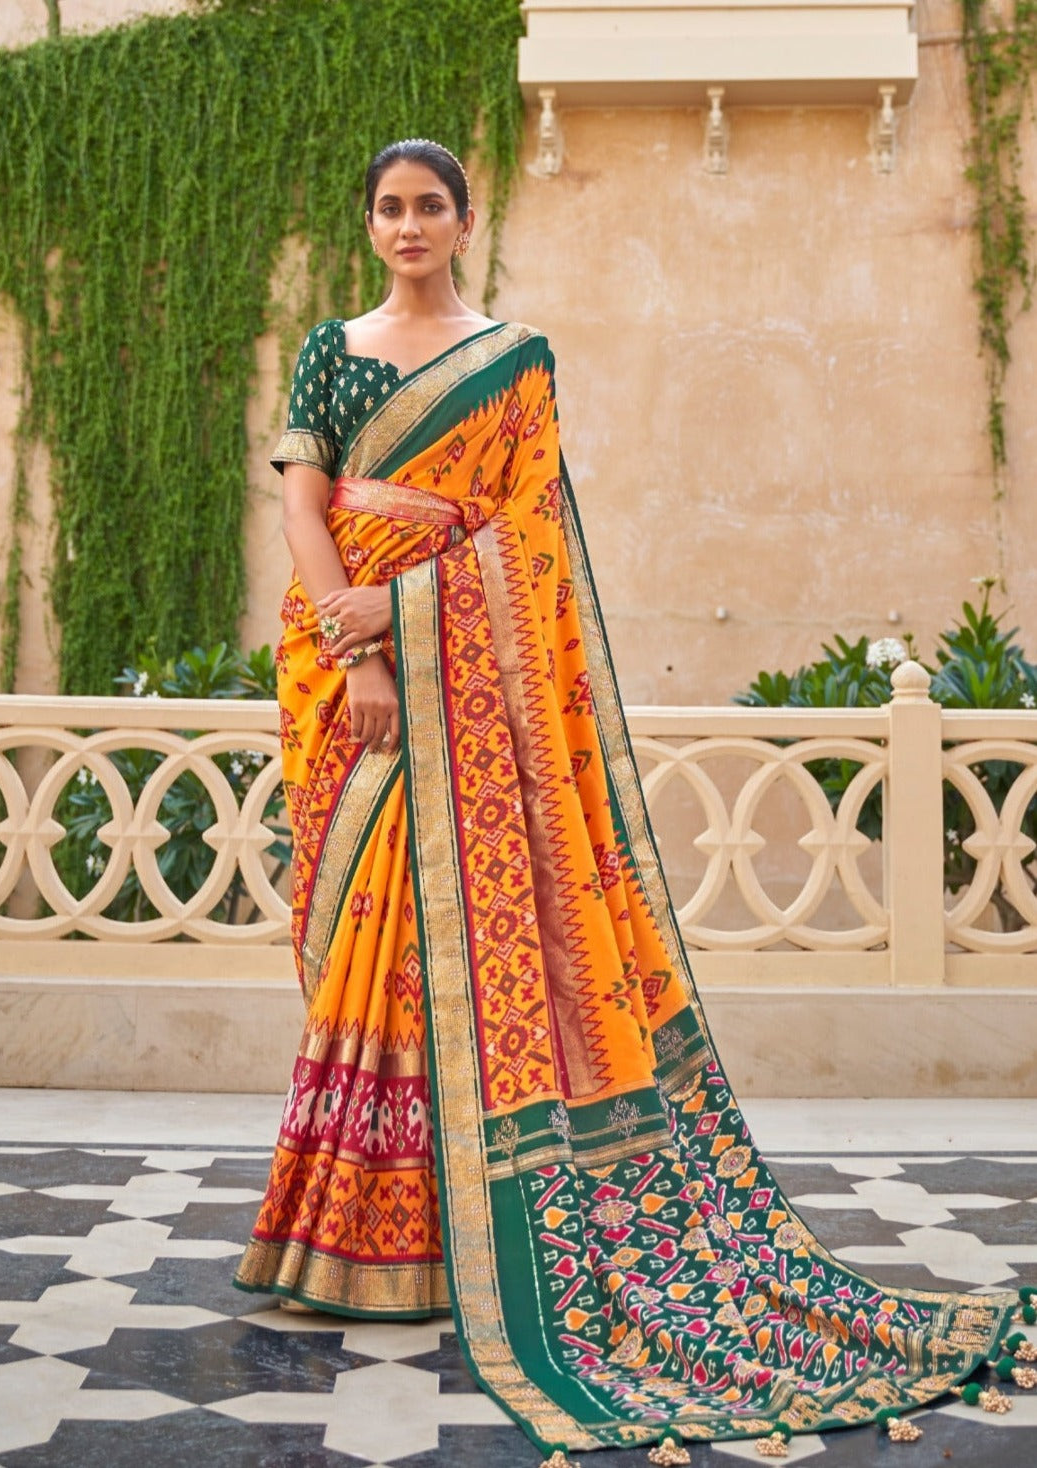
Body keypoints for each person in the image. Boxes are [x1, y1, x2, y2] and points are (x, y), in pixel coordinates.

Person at [236, 139, 1022, 1461]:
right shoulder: (329, 350)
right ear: (368, 222)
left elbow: (527, 539)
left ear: (464, 220)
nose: (410, 224)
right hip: (355, 674)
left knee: (454, 960)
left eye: (431, 205)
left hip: (461, 687)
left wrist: (421, 620)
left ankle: (451, 1239)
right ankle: (357, 1231)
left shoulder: (516, 361)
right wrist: (364, 646)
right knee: (367, 933)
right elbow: (306, 512)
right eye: (389, 205)